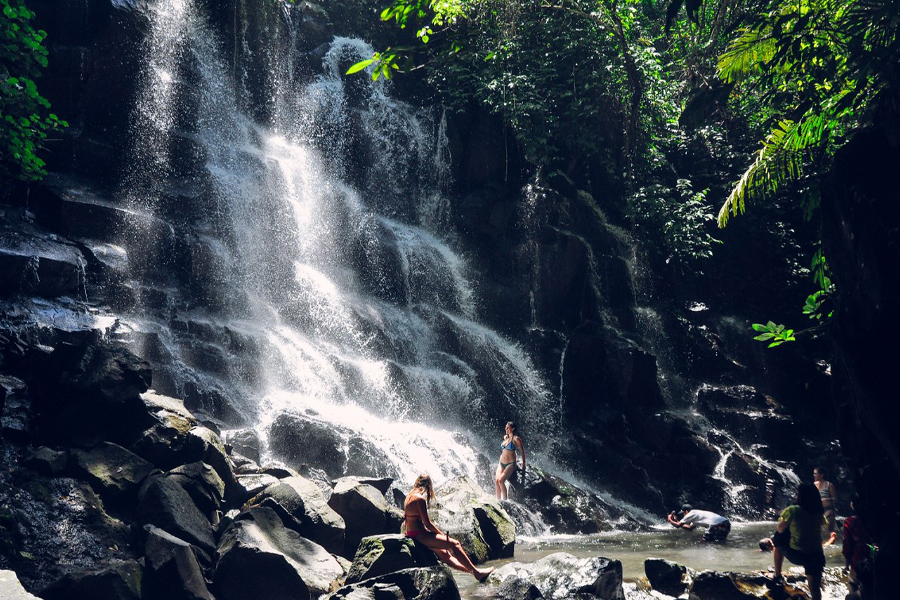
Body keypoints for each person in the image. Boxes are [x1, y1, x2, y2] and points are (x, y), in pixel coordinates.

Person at [403, 474, 494, 582]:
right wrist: (442, 535)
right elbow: (427, 523)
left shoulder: (409, 496)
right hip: (420, 535)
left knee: (446, 555)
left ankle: (474, 572)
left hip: (412, 533)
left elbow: (409, 521)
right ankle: (477, 573)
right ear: (428, 487)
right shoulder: (420, 499)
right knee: (455, 544)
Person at [769, 483, 826, 600]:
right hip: (816, 556)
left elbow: (780, 528)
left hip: (798, 555)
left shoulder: (793, 510)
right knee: (815, 590)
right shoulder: (819, 513)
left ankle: (778, 575)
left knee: (777, 537)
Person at [842, 494, 874, 596]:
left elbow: (847, 544)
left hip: (858, 554)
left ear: (853, 505)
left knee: (853, 582)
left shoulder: (850, 521)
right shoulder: (873, 519)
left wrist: (847, 564)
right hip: (874, 554)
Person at [495, 421, 525, 500]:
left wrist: (523, 463)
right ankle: (498, 500)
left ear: (513, 428)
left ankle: (504, 501)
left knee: (501, 481)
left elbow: (522, 451)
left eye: (508, 428)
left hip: (510, 464)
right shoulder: (505, 437)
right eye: (506, 427)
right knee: (496, 481)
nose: (506, 429)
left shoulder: (516, 439)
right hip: (501, 463)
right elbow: (507, 450)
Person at [667, 504, 731, 541]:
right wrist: (676, 521)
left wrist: (670, 519)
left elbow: (677, 525)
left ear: (686, 511)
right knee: (720, 542)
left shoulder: (691, 514)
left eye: (683, 513)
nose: (683, 515)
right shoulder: (696, 514)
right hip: (726, 523)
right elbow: (690, 528)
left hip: (717, 525)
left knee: (704, 541)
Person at [813, 466, 837, 535]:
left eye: (815, 473)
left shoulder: (829, 485)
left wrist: (827, 499)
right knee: (816, 531)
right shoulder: (814, 485)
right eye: (814, 473)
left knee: (830, 531)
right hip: (817, 510)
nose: (814, 475)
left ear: (821, 475)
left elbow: (834, 499)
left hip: (828, 510)